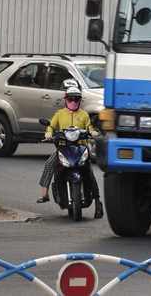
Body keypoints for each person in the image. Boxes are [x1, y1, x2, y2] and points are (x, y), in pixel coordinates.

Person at [37, 87, 104, 219]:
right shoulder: (59, 114)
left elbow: (89, 127)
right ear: (65, 100)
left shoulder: (84, 115)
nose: (73, 102)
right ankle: (45, 193)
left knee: (89, 173)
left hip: (80, 149)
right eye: (70, 99)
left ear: (80, 101)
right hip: (63, 148)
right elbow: (51, 126)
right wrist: (49, 133)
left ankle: (97, 203)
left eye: (76, 99)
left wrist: (93, 132)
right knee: (50, 163)